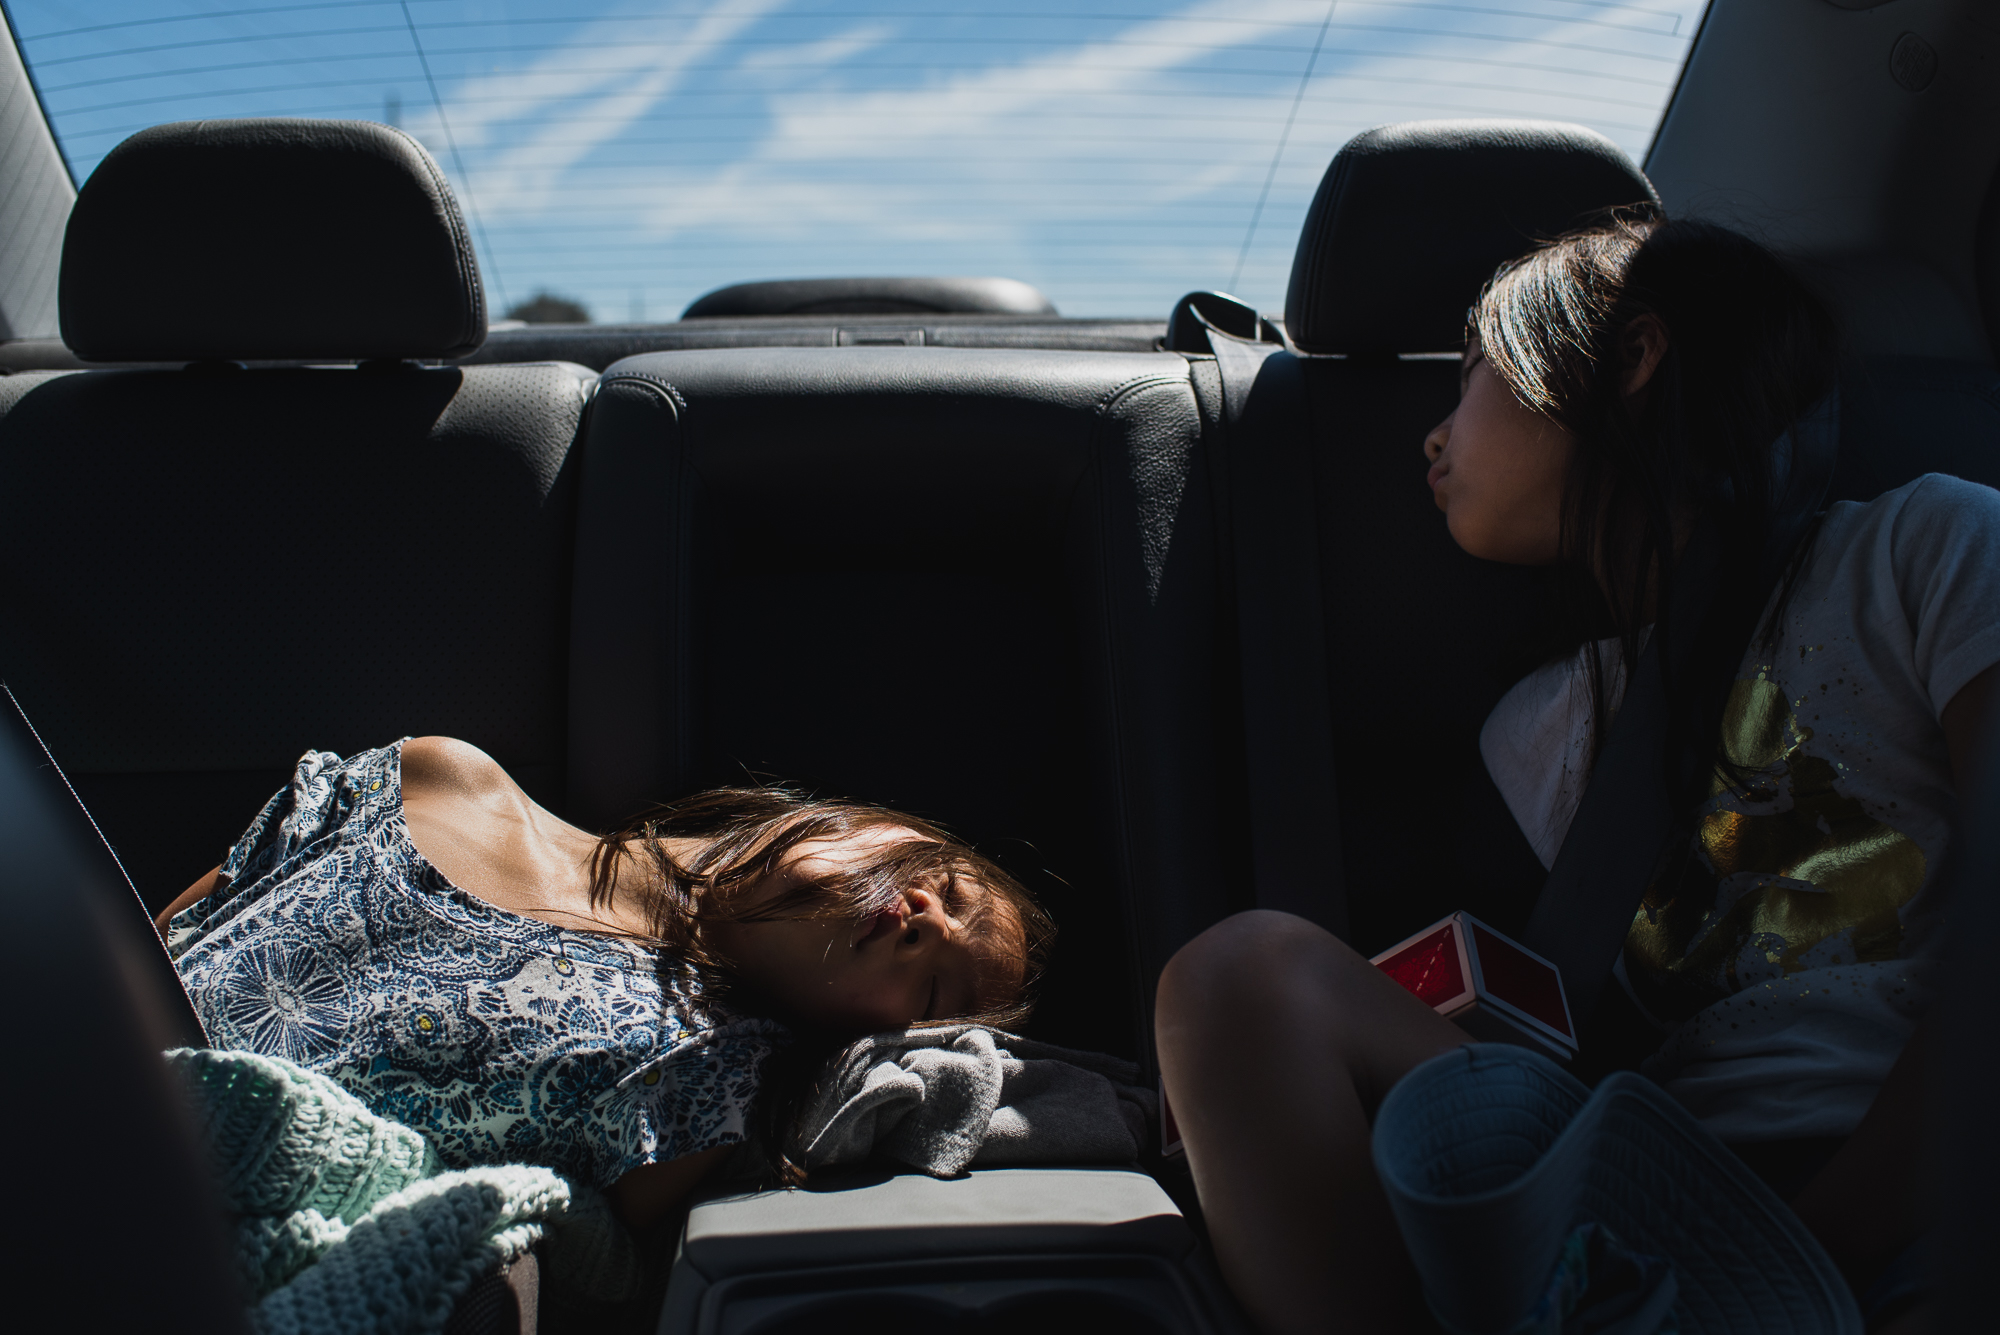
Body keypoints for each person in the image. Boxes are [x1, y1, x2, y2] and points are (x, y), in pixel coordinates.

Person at [1156, 212, 1993, 1334]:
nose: (1432, 438)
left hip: (1923, 1164)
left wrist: (1837, 1229)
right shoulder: (1536, 731)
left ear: (1629, 361)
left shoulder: (1925, 549)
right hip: (1653, 1187)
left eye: (1470, 378)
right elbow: (1554, 1031)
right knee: (1236, 978)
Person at [158, 736, 1051, 1227]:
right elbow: (142, 949)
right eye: (947, 885)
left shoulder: (700, 1080)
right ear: (867, 823)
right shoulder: (437, 775)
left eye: (937, 992)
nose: (930, 921)